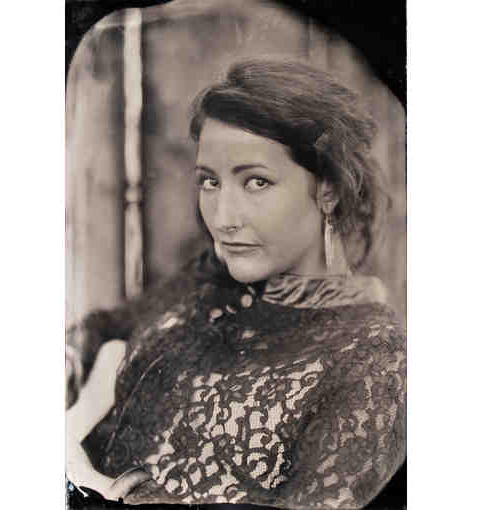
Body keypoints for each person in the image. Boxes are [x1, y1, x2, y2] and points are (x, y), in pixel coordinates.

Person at [66, 59, 406, 510]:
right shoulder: (210, 276)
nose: (223, 218)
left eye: (256, 182)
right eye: (210, 181)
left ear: (328, 190)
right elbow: (103, 331)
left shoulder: (375, 361)